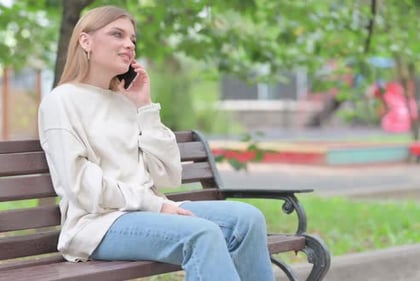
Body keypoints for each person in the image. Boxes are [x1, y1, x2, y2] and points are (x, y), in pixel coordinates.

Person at [38, 5, 274, 281]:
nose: (128, 44)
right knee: (201, 233)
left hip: (148, 210)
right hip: (96, 226)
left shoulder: (126, 100)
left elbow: (169, 175)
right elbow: (81, 188)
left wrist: (145, 106)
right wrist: (155, 205)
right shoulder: (62, 101)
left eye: (132, 39)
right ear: (86, 41)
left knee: (247, 219)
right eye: (117, 34)